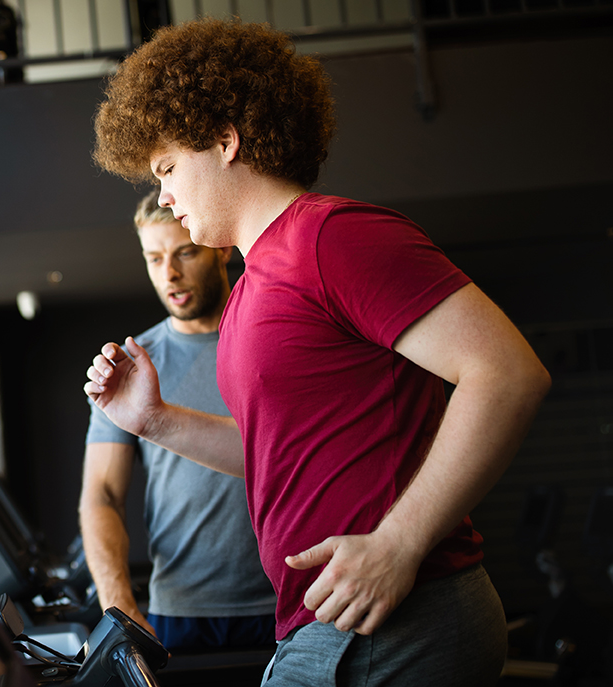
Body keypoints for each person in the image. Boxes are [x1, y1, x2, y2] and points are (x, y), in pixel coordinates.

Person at [83, 18, 551, 686]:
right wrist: (153, 419)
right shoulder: (249, 290)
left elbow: (506, 373)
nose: (163, 194)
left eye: (166, 168)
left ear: (224, 140)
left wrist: (399, 542)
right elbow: (272, 452)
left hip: (396, 614)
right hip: (325, 623)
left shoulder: (330, 236)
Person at [79, 190, 277, 653]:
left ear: (221, 248)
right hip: (181, 613)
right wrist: (117, 603)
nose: (168, 273)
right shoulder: (127, 371)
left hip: (291, 602)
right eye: (154, 258)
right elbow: (101, 495)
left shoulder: (273, 341)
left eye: (184, 252)